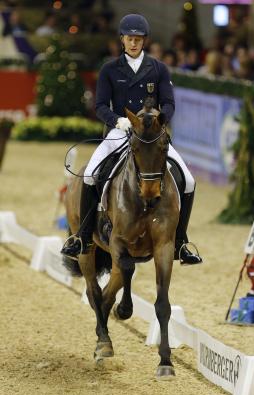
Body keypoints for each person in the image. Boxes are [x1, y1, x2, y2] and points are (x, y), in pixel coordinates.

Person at [61, 14, 202, 265]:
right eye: (130, 39)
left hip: (151, 135)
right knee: (92, 173)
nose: (134, 43)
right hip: (121, 130)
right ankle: (82, 237)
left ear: (144, 41)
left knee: (189, 180)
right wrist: (117, 120)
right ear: (122, 40)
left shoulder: (158, 68)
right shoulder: (110, 69)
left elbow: (168, 102)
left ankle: (181, 242)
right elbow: (101, 104)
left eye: (138, 39)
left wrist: (159, 120)